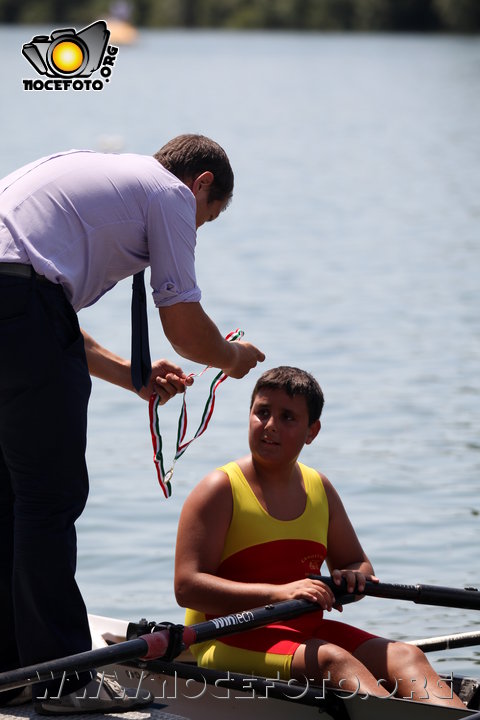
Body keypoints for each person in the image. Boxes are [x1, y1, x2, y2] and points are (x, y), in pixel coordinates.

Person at [0, 134, 264, 714]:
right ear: (201, 185)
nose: (193, 232)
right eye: (206, 219)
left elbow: (42, 309)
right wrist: (231, 358)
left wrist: (131, 375)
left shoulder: (94, 170)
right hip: (22, 310)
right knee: (48, 497)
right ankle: (62, 682)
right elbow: (186, 328)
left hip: (17, 310)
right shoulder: (170, 194)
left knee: (13, 494)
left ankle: (14, 667)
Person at [174, 366, 465, 709]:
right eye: (262, 412)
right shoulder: (219, 490)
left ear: (312, 431)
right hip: (224, 637)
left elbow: (357, 563)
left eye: (287, 418)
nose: (270, 426)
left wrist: (355, 576)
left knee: (406, 655)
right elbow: (187, 587)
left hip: (303, 633)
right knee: (333, 660)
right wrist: (279, 594)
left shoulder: (319, 489)